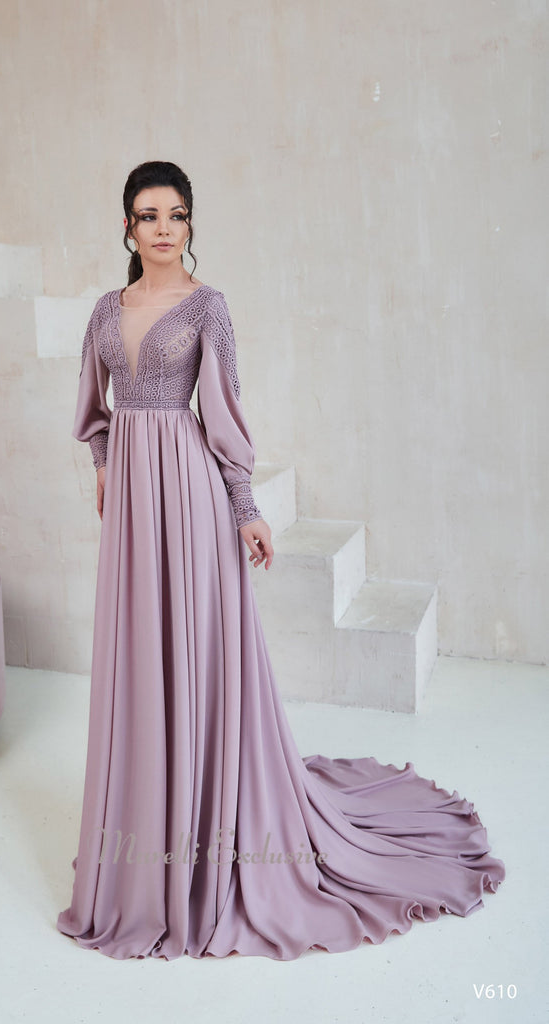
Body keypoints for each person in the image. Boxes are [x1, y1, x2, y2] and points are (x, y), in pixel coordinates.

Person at [56, 160, 505, 960]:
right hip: (130, 502)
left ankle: (209, 824)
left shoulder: (208, 307)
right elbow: (93, 411)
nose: (162, 228)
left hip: (189, 495)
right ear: (126, 227)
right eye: (147, 215)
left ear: (189, 224)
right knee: (141, 653)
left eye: (175, 214)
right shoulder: (103, 312)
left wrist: (244, 507)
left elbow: (224, 413)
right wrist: (101, 465)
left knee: (199, 653)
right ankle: (148, 829)